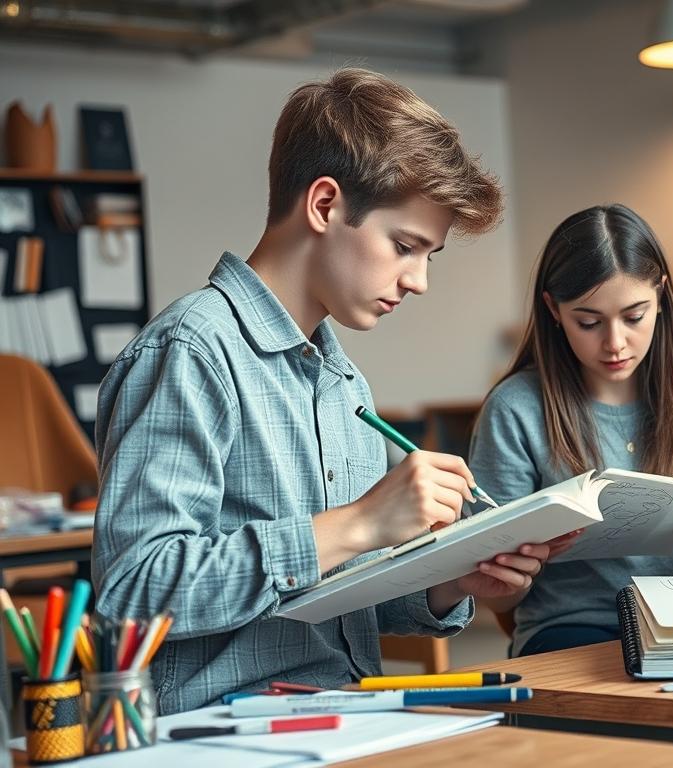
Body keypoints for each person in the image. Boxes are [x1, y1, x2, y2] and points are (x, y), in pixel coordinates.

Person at [93, 68, 545, 713]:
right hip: (215, 732)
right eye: (405, 246)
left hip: (340, 712)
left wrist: (452, 579)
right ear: (325, 205)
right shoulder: (191, 353)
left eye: (429, 256)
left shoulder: (340, 383)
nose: (418, 281)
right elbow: (134, 592)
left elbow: (337, 599)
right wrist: (357, 523)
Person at [468, 203, 673, 657]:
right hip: (570, 630)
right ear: (553, 309)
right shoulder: (515, 410)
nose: (615, 343)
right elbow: (498, 601)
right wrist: (519, 565)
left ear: (661, 297)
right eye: (589, 322)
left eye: (635, 317)